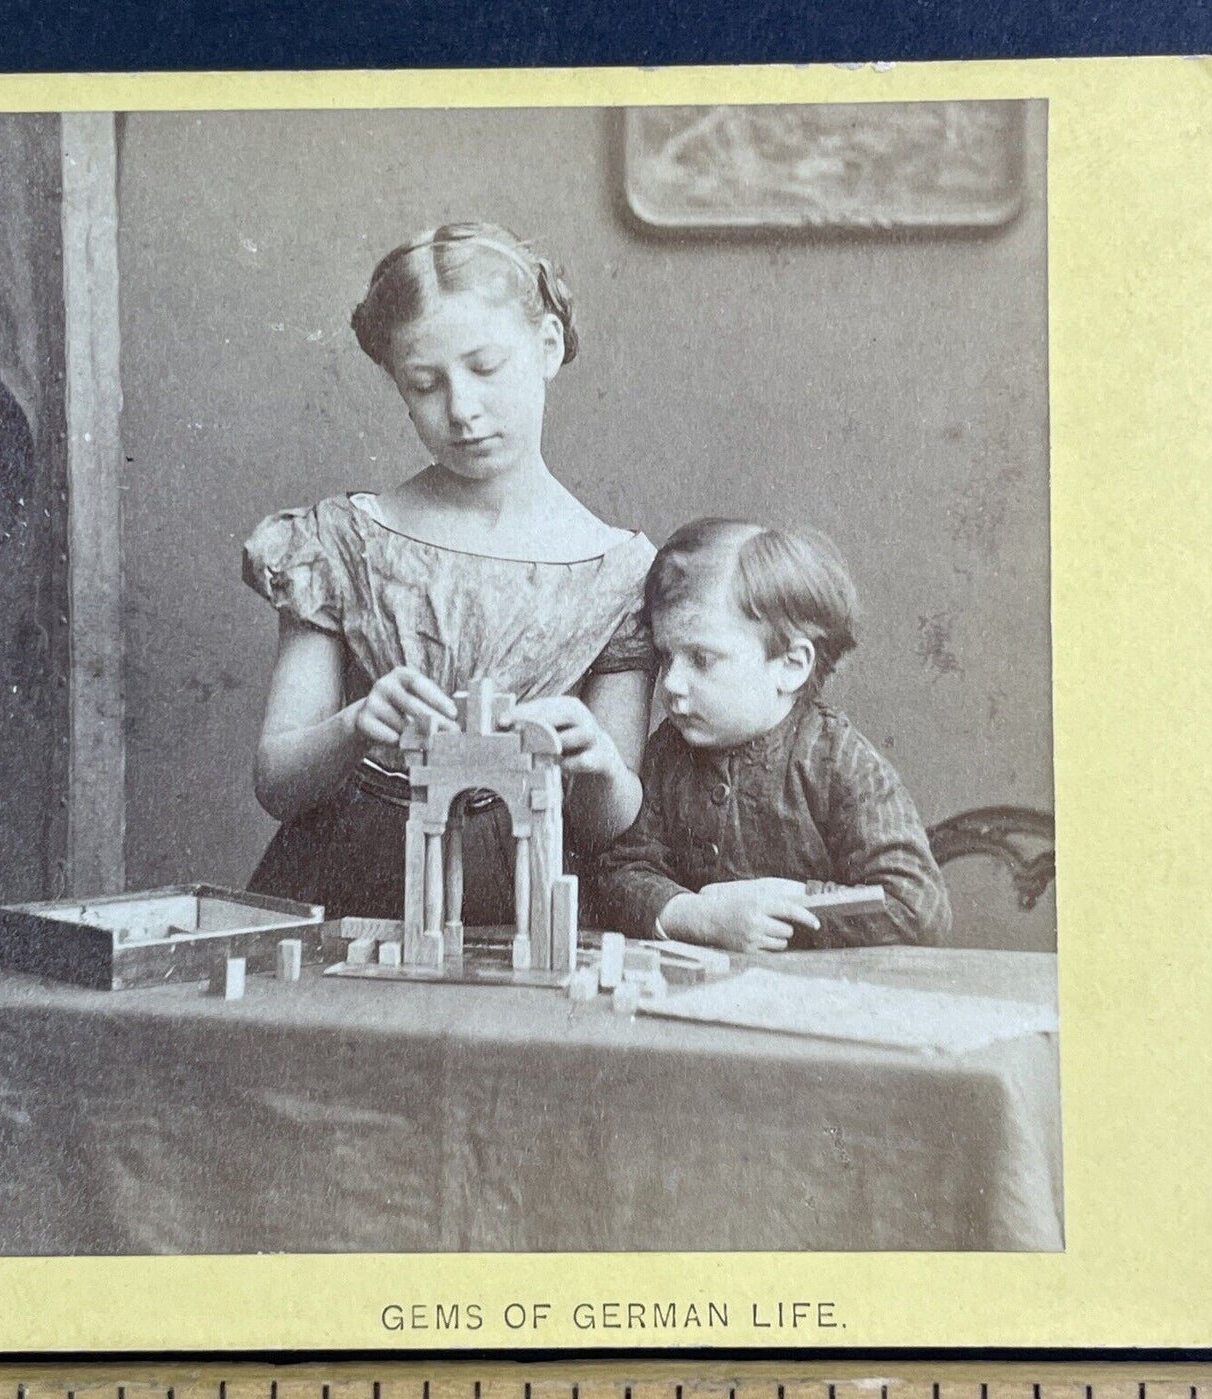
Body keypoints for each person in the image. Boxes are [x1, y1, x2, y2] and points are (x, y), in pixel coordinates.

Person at [242, 222, 655, 920]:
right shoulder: (344, 541)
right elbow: (277, 783)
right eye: (425, 383)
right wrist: (355, 726)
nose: (461, 410)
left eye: (485, 367)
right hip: (344, 883)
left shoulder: (616, 571)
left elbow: (606, 824)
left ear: (547, 346)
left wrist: (601, 766)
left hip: (523, 896)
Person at [595, 518, 951, 953]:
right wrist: (698, 916)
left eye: (701, 659)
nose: (671, 683)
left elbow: (916, 907)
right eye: (667, 656)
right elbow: (621, 870)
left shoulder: (838, 761)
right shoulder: (669, 752)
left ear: (791, 665)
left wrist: (787, 907)